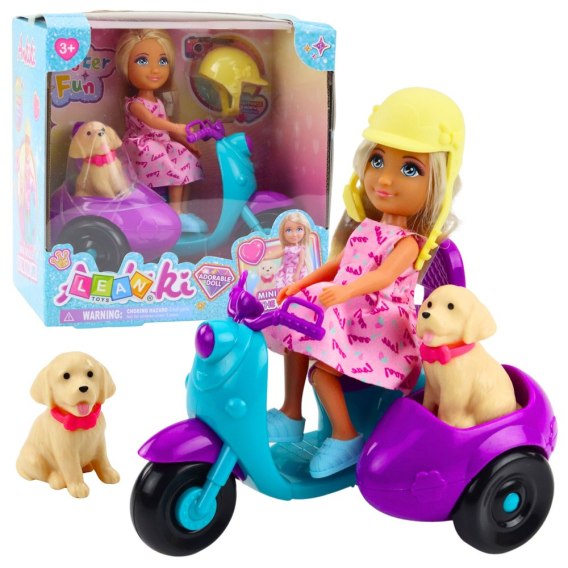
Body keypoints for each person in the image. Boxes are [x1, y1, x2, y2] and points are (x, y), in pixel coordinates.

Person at [264, 87, 464, 478]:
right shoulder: (367, 228)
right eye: (377, 160)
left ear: (436, 185)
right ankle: (291, 413)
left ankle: (346, 436)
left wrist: (345, 291)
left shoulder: (409, 242)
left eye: (410, 169)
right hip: (349, 308)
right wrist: (301, 284)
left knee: (322, 371)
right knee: (295, 331)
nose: (385, 178)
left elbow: (382, 277)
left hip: (379, 324)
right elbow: (338, 264)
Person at [116, 29, 205, 233]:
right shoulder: (135, 104)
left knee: (182, 155)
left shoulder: (158, 101)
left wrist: (187, 143)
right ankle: (156, 210)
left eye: (162, 61)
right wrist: (176, 127)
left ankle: (177, 211)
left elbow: (166, 126)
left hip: (161, 143)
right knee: (163, 159)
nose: (155, 69)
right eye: (142, 61)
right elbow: (152, 121)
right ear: (126, 66)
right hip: (143, 146)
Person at [261, 211, 312, 289]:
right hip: (286, 271)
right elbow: (277, 254)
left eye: (299, 229)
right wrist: (266, 257)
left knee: (297, 288)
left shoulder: (301, 249)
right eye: (289, 230)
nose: (294, 234)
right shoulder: (287, 248)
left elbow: (301, 262)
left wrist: (297, 273)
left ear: (305, 231)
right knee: (284, 287)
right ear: (283, 233)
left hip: (297, 271)